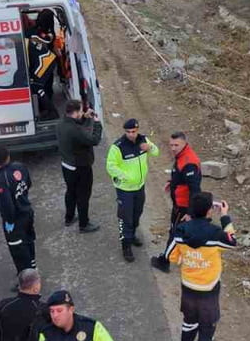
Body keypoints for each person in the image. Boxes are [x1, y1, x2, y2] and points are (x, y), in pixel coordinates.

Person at [154, 192, 236, 341]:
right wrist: (225, 216)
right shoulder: (216, 234)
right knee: (206, 332)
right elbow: (232, 241)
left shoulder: (181, 231)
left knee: (189, 323)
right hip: (208, 291)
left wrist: (185, 259)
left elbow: (169, 256)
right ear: (210, 211)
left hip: (188, 288)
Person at [106, 118, 159, 263]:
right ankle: (126, 246)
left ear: (138, 130)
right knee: (125, 218)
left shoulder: (143, 140)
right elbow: (110, 166)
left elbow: (156, 152)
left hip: (139, 187)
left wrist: (150, 148)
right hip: (125, 189)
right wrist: (126, 177)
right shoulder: (118, 147)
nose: (131, 134)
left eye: (134, 131)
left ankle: (132, 234)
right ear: (125, 131)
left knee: (137, 213)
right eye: (128, 132)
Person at [151, 131, 200, 272]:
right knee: (184, 233)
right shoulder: (182, 155)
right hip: (181, 204)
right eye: (171, 145)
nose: (173, 148)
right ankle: (188, 259)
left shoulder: (189, 162)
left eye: (176, 145)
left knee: (175, 234)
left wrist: (190, 212)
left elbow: (195, 190)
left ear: (185, 143)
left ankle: (164, 261)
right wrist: (172, 183)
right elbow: (181, 176)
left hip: (183, 207)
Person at [56, 99, 104, 234]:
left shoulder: (61, 124)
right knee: (83, 195)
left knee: (70, 192)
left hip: (66, 165)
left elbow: (77, 125)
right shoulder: (75, 130)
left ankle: (69, 217)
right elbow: (93, 140)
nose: (82, 112)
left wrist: (84, 117)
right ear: (75, 112)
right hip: (80, 167)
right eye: (81, 111)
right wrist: (97, 123)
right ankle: (84, 224)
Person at [0, 145, 36, 273]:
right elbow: (28, 184)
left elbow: (6, 206)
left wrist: (9, 221)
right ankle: (33, 268)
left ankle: (27, 278)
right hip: (27, 212)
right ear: (8, 156)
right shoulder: (20, 167)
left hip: (16, 221)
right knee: (29, 241)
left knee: (18, 249)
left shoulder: (0, 180)